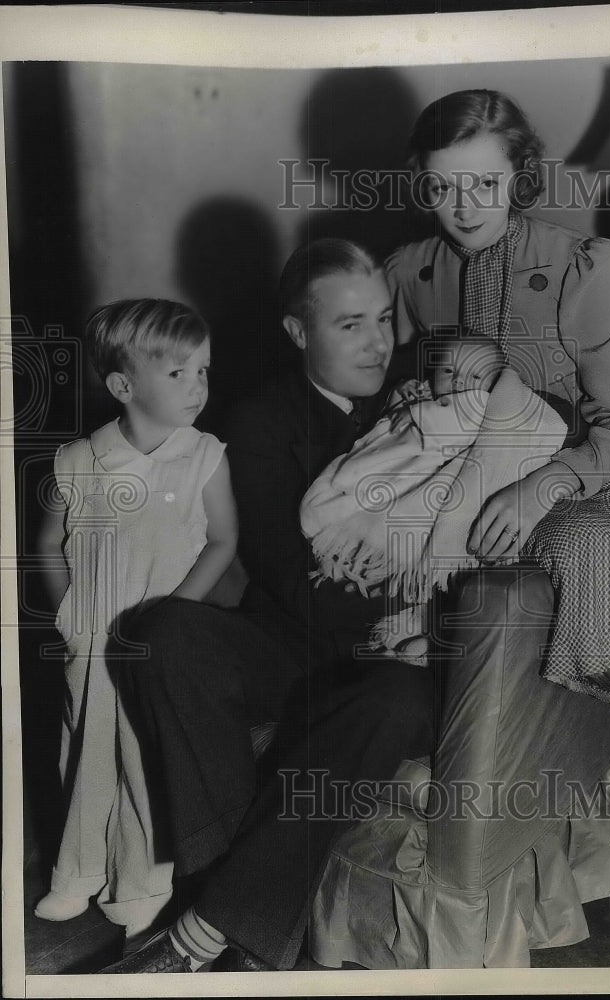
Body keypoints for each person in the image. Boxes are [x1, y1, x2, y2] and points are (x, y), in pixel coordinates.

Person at [385, 88, 610, 925]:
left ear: (520, 175)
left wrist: (551, 477)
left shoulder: (584, 265)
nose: (459, 207)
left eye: (480, 184)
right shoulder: (406, 274)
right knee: (598, 566)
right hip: (506, 483)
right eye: (439, 187)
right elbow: (401, 410)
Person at [100, 239, 434, 974]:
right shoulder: (258, 419)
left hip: (397, 666)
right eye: (350, 325)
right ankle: (229, 917)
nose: (378, 342)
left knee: (398, 697)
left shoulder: (428, 398)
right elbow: (289, 575)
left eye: (384, 318)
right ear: (297, 333)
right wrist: (388, 580)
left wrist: (397, 597)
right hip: (291, 643)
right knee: (160, 632)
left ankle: (199, 938)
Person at [35, 299, 238, 938]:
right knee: (85, 750)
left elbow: (223, 542)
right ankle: (76, 872)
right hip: (93, 636)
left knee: (145, 752)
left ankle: (141, 881)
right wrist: (70, 613)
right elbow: (46, 543)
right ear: (123, 386)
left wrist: (177, 615)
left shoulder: (203, 454)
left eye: (203, 370)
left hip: (159, 635)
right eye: (178, 373)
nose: (198, 386)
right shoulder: (78, 460)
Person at [300, 335, 566, 664]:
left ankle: (417, 633)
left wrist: (419, 416)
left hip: (448, 514)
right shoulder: (422, 399)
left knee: (436, 574)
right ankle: (400, 633)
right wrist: (401, 406)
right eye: (448, 371)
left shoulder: (481, 407)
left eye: (474, 377)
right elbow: (388, 443)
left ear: (495, 385)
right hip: (405, 503)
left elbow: (459, 426)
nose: (458, 383)